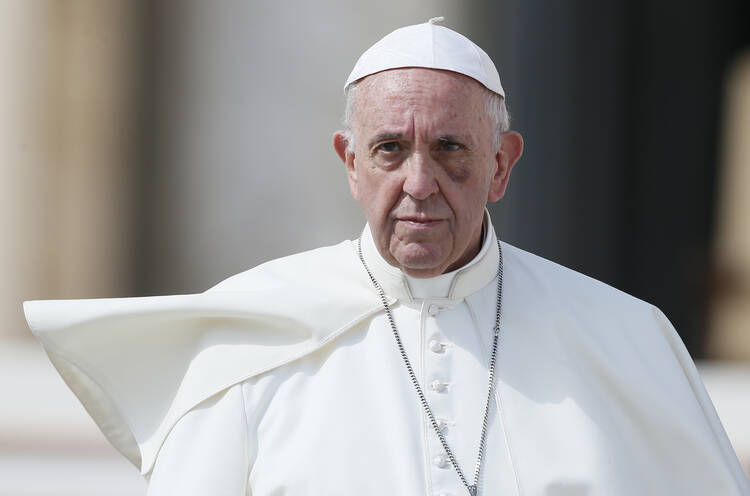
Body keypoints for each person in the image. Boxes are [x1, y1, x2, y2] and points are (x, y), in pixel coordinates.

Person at [24, 19, 749, 496]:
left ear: (502, 164)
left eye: (451, 150)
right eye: (390, 150)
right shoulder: (250, 346)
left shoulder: (623, 340)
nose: (419, 183)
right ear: (350, 162)